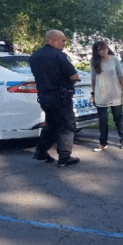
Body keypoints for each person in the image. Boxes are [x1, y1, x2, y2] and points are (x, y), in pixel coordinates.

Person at [29, 29, 80, 167]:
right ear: (53, 41)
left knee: (50, 124)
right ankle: (64, 157)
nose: (64, 44)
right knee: (67, 126)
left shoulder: (34, 56)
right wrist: (74, 79)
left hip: (44, 97)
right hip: (61, 98)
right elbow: (73, 76)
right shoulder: (59, 56)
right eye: (63, 41)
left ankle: (40, 152)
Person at [90, 41, 123, 151]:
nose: (102, 51)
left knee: (118, 118)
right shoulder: (94, 61)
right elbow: (93, 79)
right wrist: (92, 94)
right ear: (96, 51)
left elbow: (121, 77)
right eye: (99, 50)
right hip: (101, 95)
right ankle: (103, 143)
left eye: (104, 48)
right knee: (103, 121)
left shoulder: (114, 59)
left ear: (107, 48)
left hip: (115, 93)